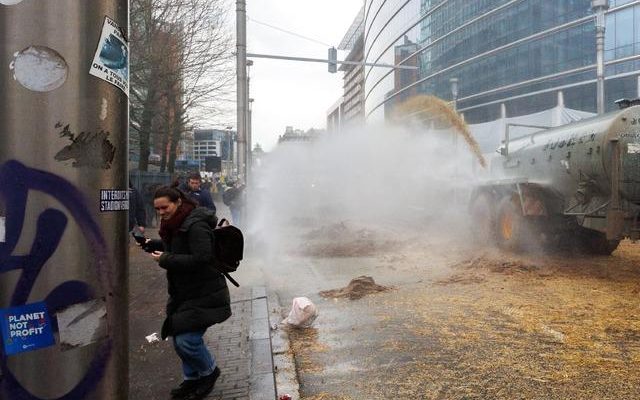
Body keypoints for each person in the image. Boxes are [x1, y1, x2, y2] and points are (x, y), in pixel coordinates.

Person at [145, 186, 231, 400]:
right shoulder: (175, 223)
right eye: (157, 209)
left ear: (178, 202)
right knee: (178, 339)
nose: (161, 212)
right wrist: (153, 245)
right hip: (185, 292)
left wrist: (164, 259)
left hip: (205, 292)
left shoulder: (196, 225)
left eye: (165, 207)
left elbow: (201, 258)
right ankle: (192, 379)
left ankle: (209, 372)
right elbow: (177, 246)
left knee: (187, 341)